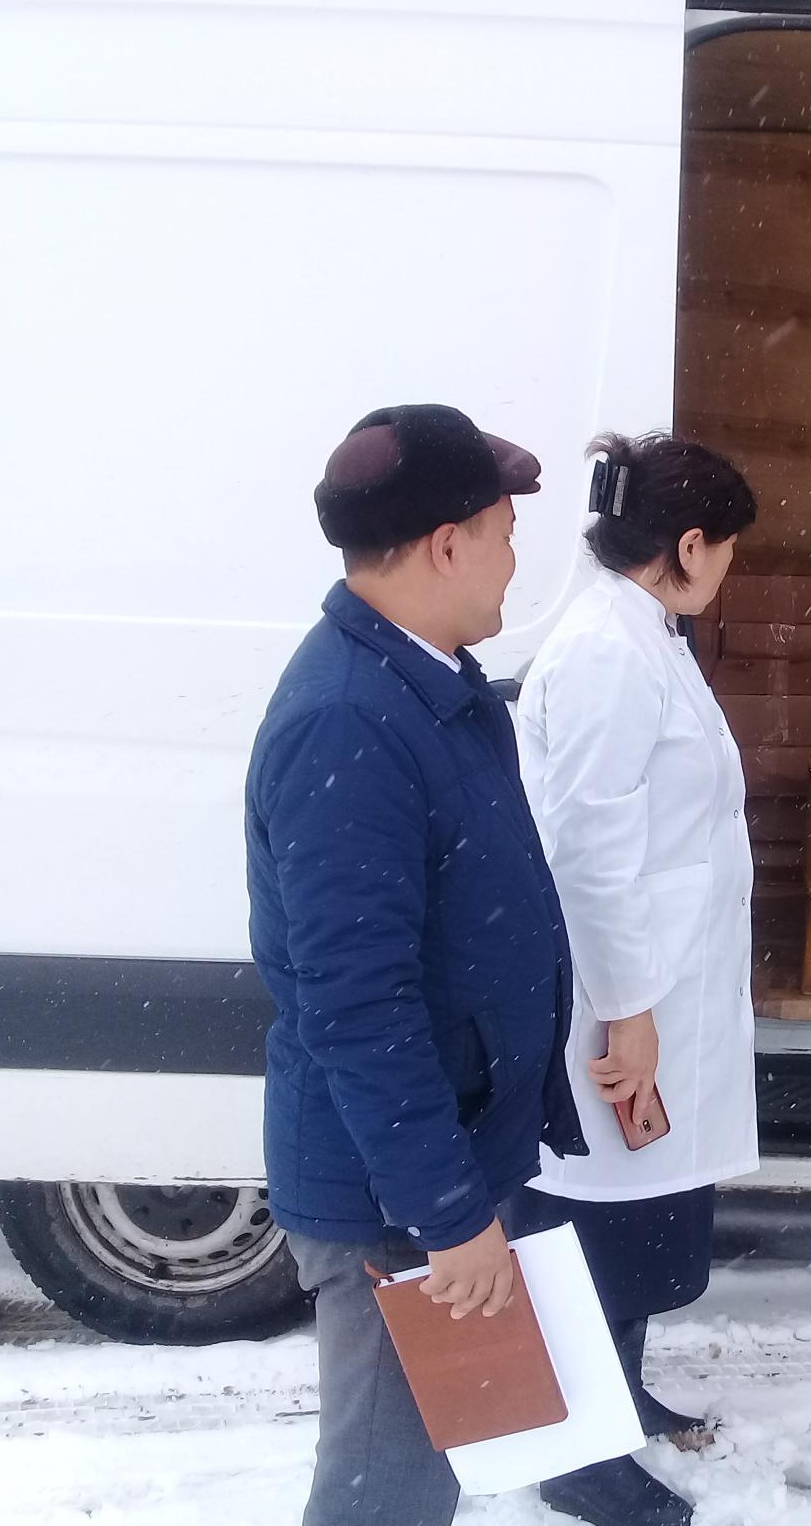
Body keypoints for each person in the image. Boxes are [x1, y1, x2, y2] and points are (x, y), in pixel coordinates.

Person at [246, 404, 586, 1526]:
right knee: (383, 1489)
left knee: (421, 1472)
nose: (514, 560)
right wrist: (446, 1214)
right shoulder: (350, 722)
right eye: (505, 534)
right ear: (447, 543)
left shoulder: (426, 685)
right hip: (394, 1194)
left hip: (439, 1155)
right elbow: (357, 1005)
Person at [513, 432, 763, 1526]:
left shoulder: (640, 631)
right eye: (729, 548)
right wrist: (627, 1013)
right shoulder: (606, 653)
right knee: (600, 1230)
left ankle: (618, 1395)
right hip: (624, 993)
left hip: (663, 980)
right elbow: (587, 852)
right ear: (690, 544)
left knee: (644, 1210)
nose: (731, 569)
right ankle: (580, 1449)